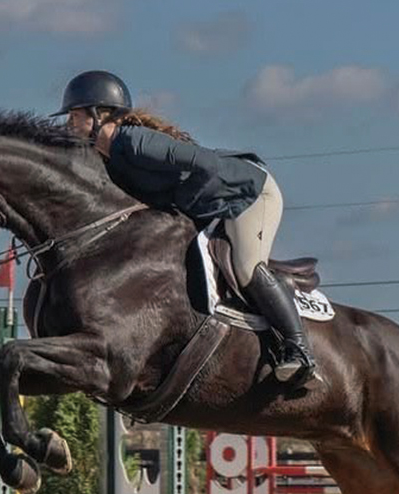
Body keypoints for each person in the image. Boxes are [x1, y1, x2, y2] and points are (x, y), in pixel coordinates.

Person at [52, 70, 316, 389]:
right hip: (216, 205)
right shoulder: (110, 160)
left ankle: (299, 350)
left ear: (99, 114)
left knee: (246, 266)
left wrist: (183, 206)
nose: (69, 125)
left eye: (75, 116)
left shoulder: (135, 142)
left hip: (249, 193)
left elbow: (206, 165)